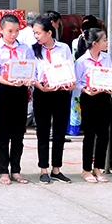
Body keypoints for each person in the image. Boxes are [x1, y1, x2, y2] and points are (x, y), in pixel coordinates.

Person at [0, 13, 34, 185]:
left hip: (20, 91)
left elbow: (31, 68)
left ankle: (16, 170)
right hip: (4, 92)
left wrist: (28, 80)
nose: (13, 34)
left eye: (16, 31)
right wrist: (8, 82)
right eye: (10, 31)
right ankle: (3, 171)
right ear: (1, 30)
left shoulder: (25, 48)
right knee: (3, 133)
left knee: (18, 134)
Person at [31, 16, 75, 184]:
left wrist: (70, 83)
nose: (36, 36)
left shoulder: (63, 48)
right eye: (34, 33)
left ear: (49, 33)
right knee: (43, 131)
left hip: (61, 93)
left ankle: (56, 169)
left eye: (38, 33)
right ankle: (43, 169)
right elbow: (31, 73)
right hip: (42, 93)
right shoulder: (33, 50)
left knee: (59, 131)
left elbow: (70, 68)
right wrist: (40, 87)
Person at [74, 28, 112, 183]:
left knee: (103, 133)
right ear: (95, 43)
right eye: (104, 40)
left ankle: (98, 168)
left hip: (104, 97)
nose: (107, 42)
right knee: (89, 134)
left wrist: (111, 86)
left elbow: (109, 75)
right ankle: (86, 169)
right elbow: (76, 82)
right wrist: (86, 90)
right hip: (89, 98)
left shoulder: (106, 57)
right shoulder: (82, 61)